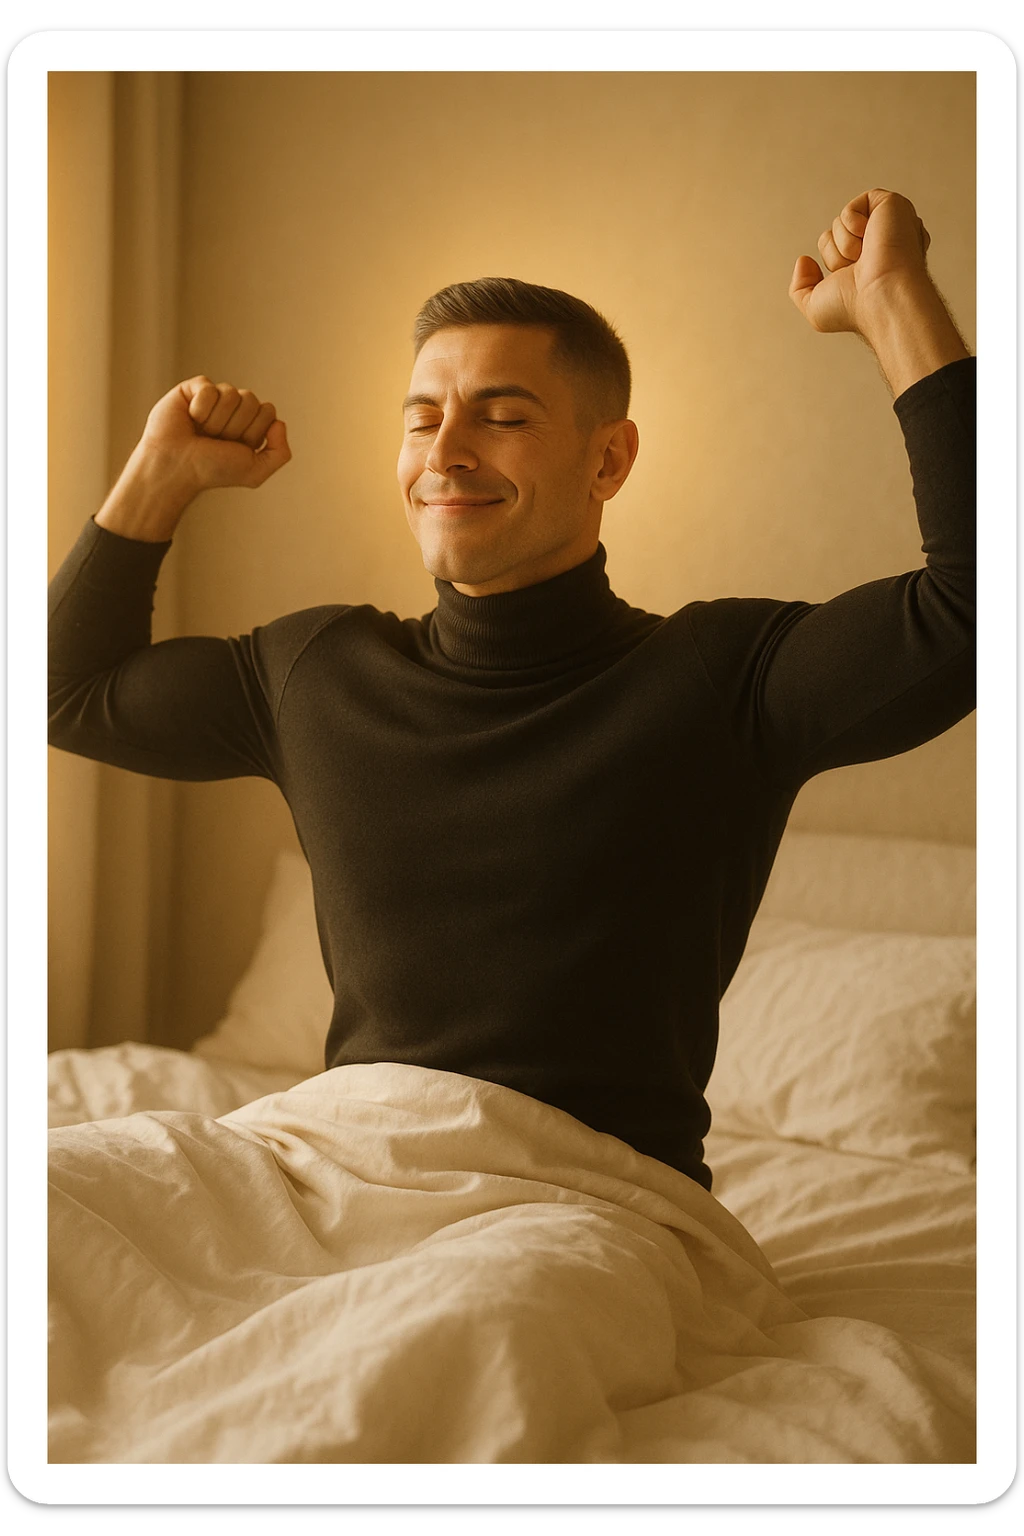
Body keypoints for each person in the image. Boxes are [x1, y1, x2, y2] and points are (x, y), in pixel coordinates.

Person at [48, 189, 975, 1191]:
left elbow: (972, 607)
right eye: (420, 420)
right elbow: (62, 690)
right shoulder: (316, 673)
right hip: (338, 1171)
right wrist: (159, 472)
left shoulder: (718, 678)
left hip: (591, 1203)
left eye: (500, 416)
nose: (445, 451)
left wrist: (891, 302)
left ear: (608, 458)